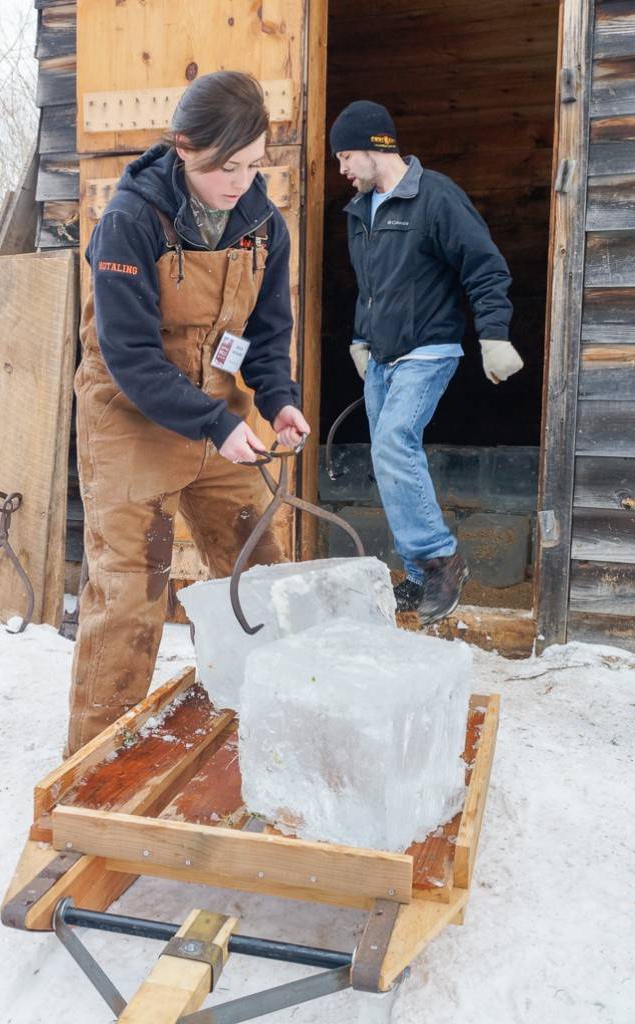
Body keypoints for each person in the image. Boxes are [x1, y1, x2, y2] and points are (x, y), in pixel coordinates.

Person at [67, 71, 309, 754]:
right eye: (224, 166)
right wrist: (217, 423)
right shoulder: (130, 221)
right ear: (184, 147)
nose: (240, 181)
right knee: (129, 595)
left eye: (253, 164)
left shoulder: (264, 224)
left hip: (220, 419)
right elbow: (131, 358)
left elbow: (267, 333)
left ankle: (256, 739)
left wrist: (279, 400)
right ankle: (92, 769)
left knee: (255, 573)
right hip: (132, 418)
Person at [329, 100, 523, 625]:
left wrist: (495, 335)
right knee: (385, 456)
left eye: (346, 155)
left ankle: (441, 559)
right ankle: (418, 576)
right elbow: (370, 287)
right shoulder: (360, 211)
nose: (342, 169)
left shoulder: (435, 196)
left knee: (394, 441)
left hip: (429, 348)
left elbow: (483, 267)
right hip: (384, 355)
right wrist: (361, 338)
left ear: (376, 147)